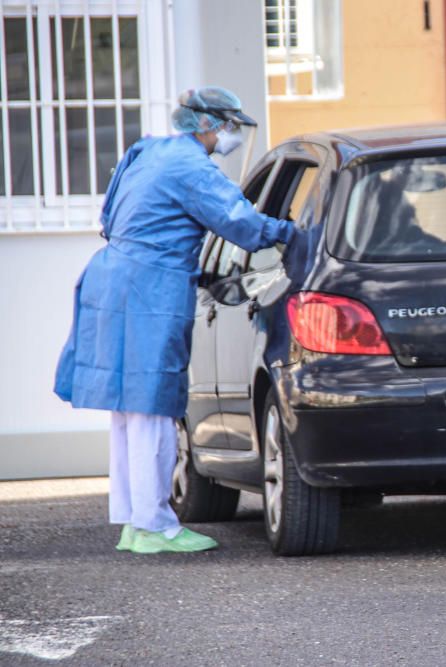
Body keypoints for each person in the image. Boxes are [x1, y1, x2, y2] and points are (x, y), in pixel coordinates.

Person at [53, 86, 301, 554]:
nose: (232, 134)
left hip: (111, 279)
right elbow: (241, 225)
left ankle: (132, 521)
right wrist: (291, 232)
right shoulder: (193, 168)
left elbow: (108, 215)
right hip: (151, 287)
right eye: (228, 124)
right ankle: (155, 525)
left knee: (127, 409)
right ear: (206, 125)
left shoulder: (146, 150)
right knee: (155, 406)